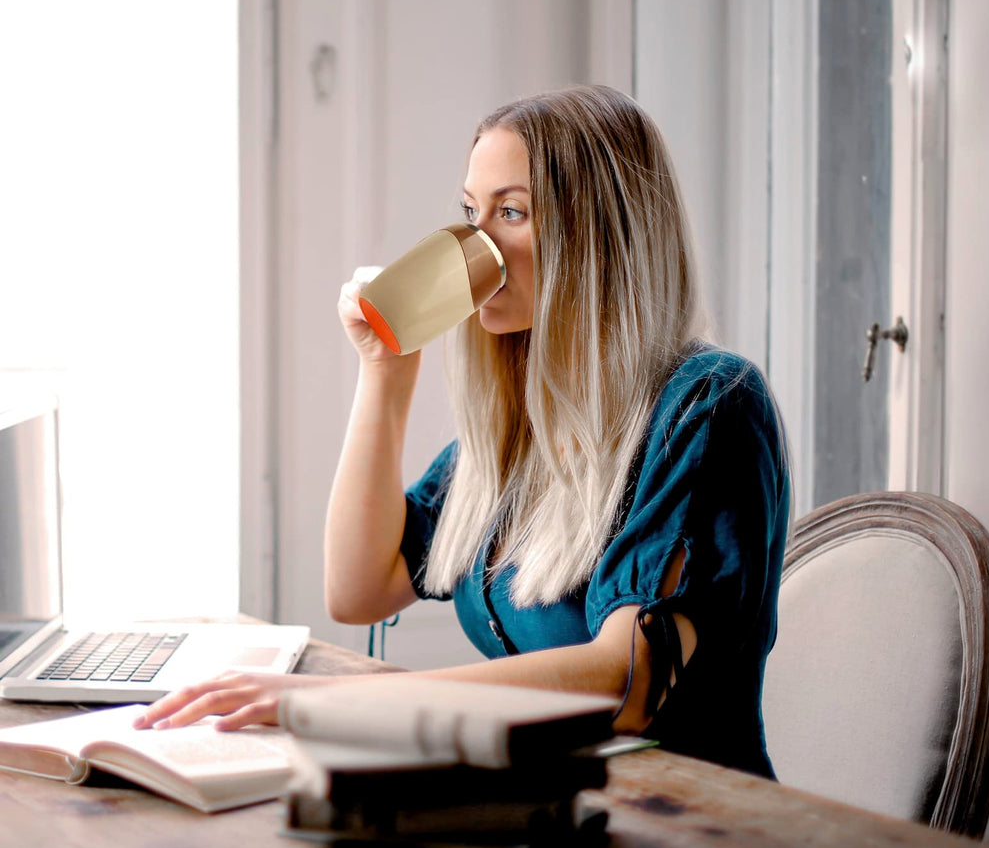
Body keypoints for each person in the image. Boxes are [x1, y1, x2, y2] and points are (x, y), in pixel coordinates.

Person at [135, 85, 790, 779]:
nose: (478, 244)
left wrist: (335, 701)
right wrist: (384, 373)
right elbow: (360, 588)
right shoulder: (528, 423)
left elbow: (628, 680)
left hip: (690, 812)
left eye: (512, 212)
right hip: (548, 796)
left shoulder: (708, 404)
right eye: (471, 213)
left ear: (602, 237)